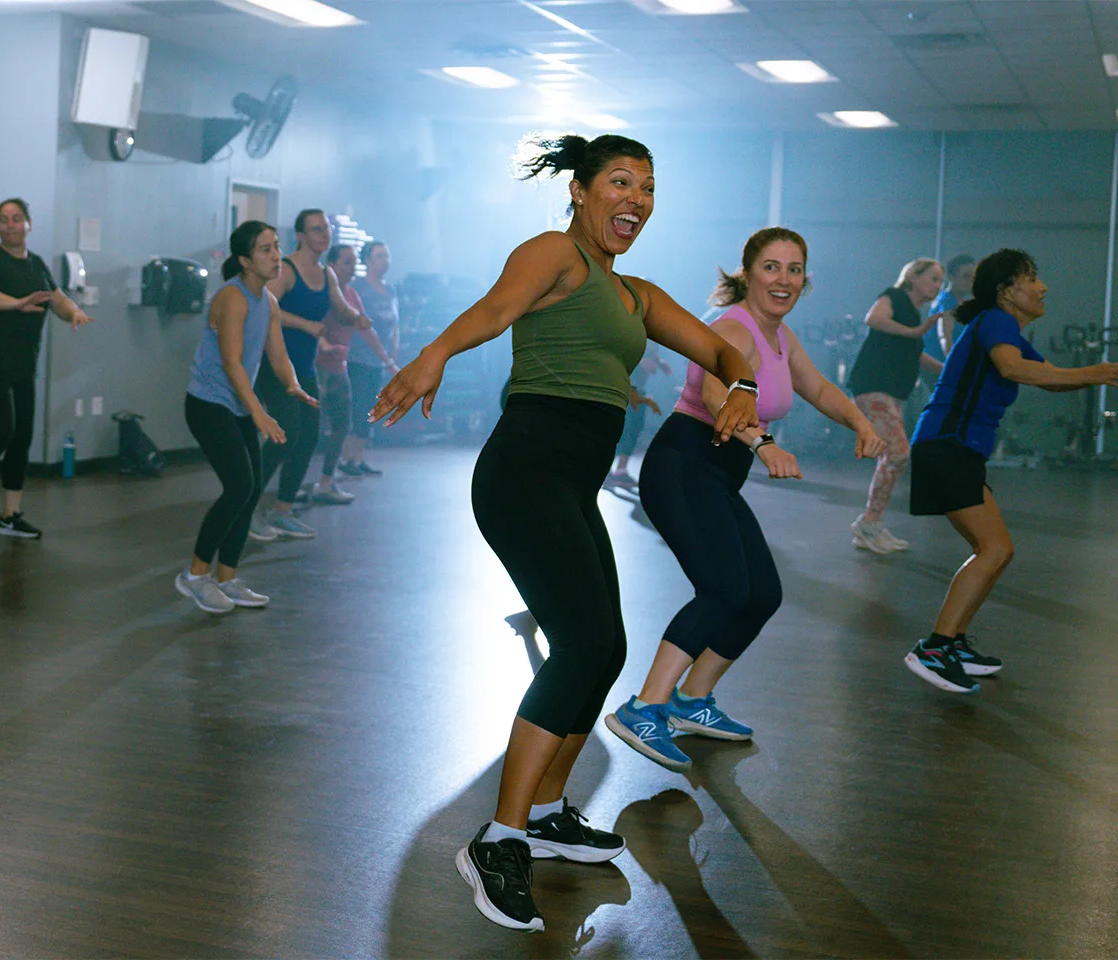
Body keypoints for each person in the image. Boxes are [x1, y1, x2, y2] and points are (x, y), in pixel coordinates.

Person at [368, 133, 758, 933]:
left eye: (648, 188)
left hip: (572, 484)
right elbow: (498, 308)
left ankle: (547, 812)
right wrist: (435, 353)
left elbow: (723, 344)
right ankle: (498, 838)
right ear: (580, 191)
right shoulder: (555, 253)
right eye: (621, 182)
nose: (637, 201)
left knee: (604, 648)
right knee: (582, 646)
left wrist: (742, 384)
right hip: (523, 472)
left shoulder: (636, 295)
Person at [605, 227, 885, 771]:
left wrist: (860, 422)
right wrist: (764, 443)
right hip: (683, 464)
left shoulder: (781, 336)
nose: (784, 279)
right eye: (772, 267)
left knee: (761, 593)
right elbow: (719, 392)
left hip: (714, 473)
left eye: (795, 269)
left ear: (805, 281)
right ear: (748, 273)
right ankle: (644, 708)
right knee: (723, 589)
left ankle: (691, 701)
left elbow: (819, 388)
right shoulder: (732, 328)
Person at [904, 249, 1118, 693]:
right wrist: (1096, 371)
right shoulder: (997, 321)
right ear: (1007, 291)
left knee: (997, 549)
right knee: (993, 549)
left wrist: (1104, 373)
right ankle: (935, 648)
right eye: (1032, 278)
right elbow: (1014, 369)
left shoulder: (1005, 329)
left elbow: (1049, 374)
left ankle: (953, 642)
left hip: (954, 448)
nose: (1043, 287)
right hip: (947, 446)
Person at [177, 221, 317, 613]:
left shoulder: (268, 302)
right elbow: (232, 363)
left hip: (235, 403)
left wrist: (292, 385)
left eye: (276, 247)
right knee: (239, 486)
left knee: (251, 489)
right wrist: (259, 413)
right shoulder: (232, 298)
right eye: (264, 250)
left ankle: (228, 579)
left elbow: (277, 355)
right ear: (244, 260)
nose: (276, 256)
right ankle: (193, 576)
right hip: (208, 404)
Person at [0, 198, 95, 541]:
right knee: (1, 430)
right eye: (3, 220)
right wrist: (17, 303)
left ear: (28, 224)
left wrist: (73, 312)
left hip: (19, 365)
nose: (9, 225)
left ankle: (9, 516)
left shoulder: (36, 265)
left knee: (21, 436)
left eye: (16, 219)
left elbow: (55, 298)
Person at [249, 210, 389, 539]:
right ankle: (249, 509)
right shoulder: (285, 269)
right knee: (286, 434)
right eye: (316, 229)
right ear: (300, 235)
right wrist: (306, 325)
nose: (323, 234)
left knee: (309, 436)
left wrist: (359, 318)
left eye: (325, 228)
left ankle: (283, 510)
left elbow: (340, 306)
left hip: (305, 367)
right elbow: (264, 309)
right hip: (276, 365)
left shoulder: (326, 273)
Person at [846, 258, 946, 555]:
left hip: (892, 392)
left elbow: (915, 355)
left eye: (940, 281)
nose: (937, 286)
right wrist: (915, 333)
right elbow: (873, 319)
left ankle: (871, 525)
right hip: (874, 387)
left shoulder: (914, 316)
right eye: (933, 278)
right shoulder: (894, 298)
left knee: (894, 456)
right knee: (899, 453)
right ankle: (868, 523)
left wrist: (948, 368)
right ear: (913, 278)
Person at [305, 243, 363, 505]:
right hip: (317, 369)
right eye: (347, 262)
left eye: (354, 262)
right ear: (332, 265)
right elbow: (306, 324)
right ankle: (291, 487)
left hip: (339, 370)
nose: (352, 268)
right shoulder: (319, 294)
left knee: (342, 425)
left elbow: (364, 326)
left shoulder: (351, 295)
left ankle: (326, 482)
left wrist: (386, 358)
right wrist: (324, 344)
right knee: (308, 431)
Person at [343, 240, 401, 477]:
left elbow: (395, 326)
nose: (384, 261)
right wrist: (384, 357)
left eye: (387, 256)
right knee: (357, 410)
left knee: (370, 410)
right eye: (379, 256)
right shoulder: (358, 288)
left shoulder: (391, 290)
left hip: (381, 362)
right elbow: (359, 326)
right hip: (359, 360)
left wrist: (391, 358)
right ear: (367, 260)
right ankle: (346, 459)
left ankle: (357, 459)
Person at [606, 344, 671, 488]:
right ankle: (611, 472)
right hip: (624, 389)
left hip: (635, 390)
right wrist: (642, 362)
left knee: (632, 429)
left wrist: (659, 362)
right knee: (624, 430)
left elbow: (651, 356)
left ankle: (618, 471)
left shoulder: (651, 340)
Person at [927, 254, 976, 359]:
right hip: (937, 368)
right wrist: (954, 366)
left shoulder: (959, 301)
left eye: (973, 277)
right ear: (951, 277)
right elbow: (945, 337)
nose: (970, 282)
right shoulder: (946, 302)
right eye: (965, 276)